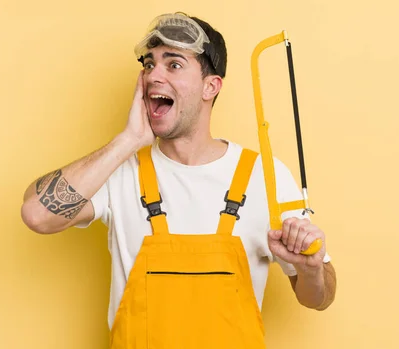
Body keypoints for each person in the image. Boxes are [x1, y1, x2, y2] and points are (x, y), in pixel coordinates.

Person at [21, 12, 336, 348]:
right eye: (149, 63)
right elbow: (37, 214)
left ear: (210, 86)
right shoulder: (120, 171)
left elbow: (319, 298)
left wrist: (311, 268)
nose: (153, 75)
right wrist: (127, 140)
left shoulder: (264, 176)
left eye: (173, 64)